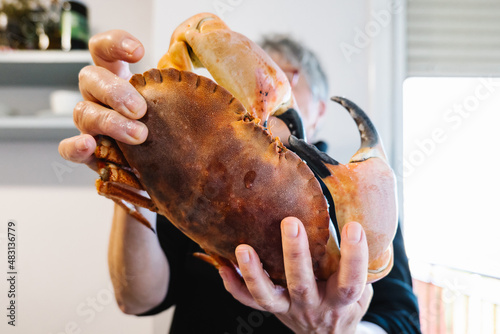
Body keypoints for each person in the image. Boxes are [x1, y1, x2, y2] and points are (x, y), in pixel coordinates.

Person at [59, 29, 421, 333]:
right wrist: (133, 154)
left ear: (322, 110)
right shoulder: (197, 168)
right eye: (253, 84)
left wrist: (341, 328)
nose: (274, 93)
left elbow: (403, 320)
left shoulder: (357, 199)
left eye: (291, 78)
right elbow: (137, 297)